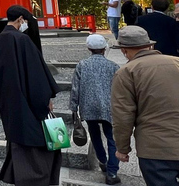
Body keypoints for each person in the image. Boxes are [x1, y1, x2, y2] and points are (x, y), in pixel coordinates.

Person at [0, 5, 61, 186]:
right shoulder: (22, 40)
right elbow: (35, 74)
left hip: (10, 100)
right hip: (29, 102)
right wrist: (45, 99)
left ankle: (19, 176)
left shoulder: (0, 40)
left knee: (17, 137)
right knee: (36, 142)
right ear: (21, 20)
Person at [111, 25, 179, 184]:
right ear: (150, 45)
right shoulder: (177, 62)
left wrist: (122, 148)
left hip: (156, 149)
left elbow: (123, 115)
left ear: (124, 50)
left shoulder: (126, 72)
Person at [69, 34, 121, 185]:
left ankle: (103, 161)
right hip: (109, 107)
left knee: (95, 134)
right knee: (112, 138)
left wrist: (74, 108)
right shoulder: (113, 66)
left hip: (89, 106)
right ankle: (112, 173)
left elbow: (75, 88)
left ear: (88, 48)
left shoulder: (82, 65)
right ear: (105, 48)